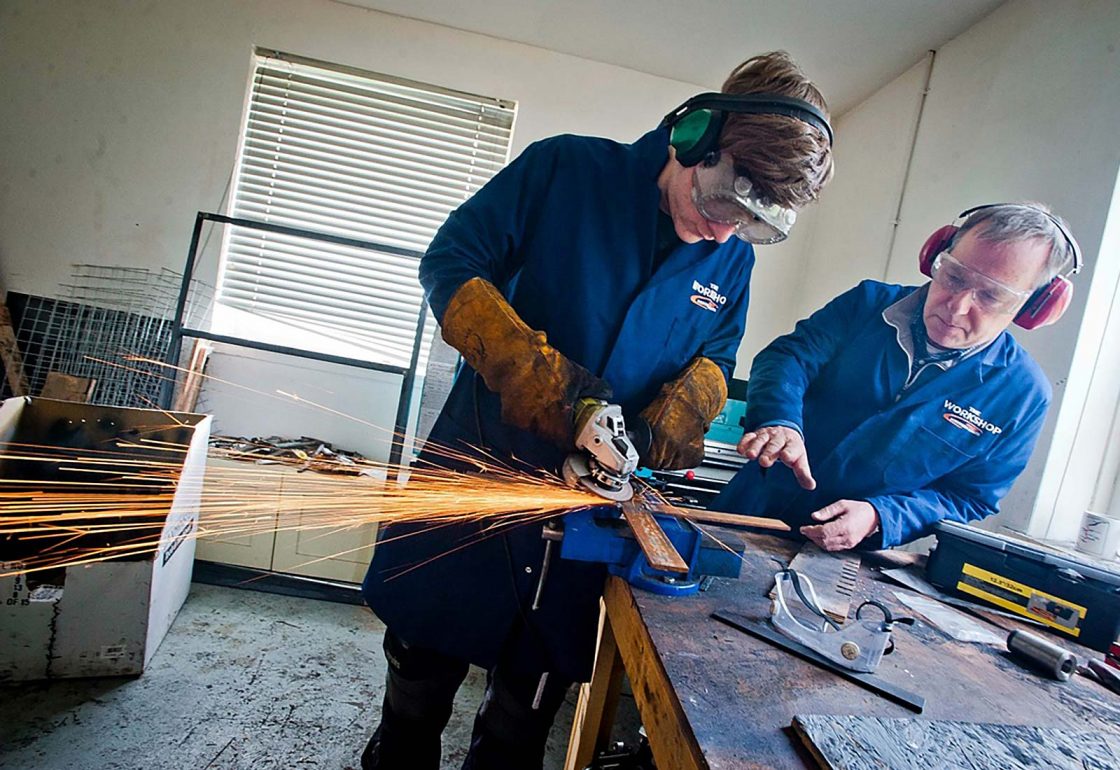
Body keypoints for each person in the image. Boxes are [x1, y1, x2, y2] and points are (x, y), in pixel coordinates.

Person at [359, 51, 833, 769]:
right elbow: (452, 262)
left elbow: (717, 357)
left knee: (523, 720)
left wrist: (665, 419)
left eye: (748, 224)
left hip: (587, 517)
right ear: (695, 137)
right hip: (480, 477)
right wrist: (551, 388)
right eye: (718, 205)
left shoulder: (731, 261)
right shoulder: (564, 171)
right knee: (416, 695)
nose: (723, 233)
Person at [711, 203, 1082, 552]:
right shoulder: (867, 305)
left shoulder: (1021, 396)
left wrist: (880, 517)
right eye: (953, 276)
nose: (958, 306)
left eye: (991, 296)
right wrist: (780, 421)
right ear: (935, 257)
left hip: (848, 558)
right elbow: (788, 358)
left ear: (1034, 306)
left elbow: (970, 496)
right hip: (744, 512)